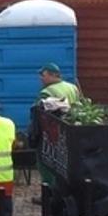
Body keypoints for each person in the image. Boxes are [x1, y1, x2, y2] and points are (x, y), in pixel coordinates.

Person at [29, 63, 81, 203]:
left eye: (43, 75)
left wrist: (34, 135)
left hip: (51, 136)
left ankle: (49, 196)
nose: (41, 78)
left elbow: (38, 116)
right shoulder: (72, 87)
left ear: (53, 75)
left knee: (46, 166)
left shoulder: (47, 92)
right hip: (69, 133)